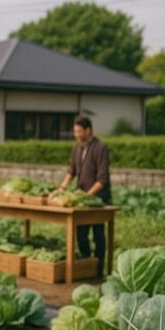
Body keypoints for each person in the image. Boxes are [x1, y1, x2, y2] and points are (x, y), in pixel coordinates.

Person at [54, 116, 111, 277]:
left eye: (79, 131)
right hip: (82, 199)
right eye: (75, 131)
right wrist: (61, 188)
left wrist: (87, 197)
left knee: (98, 235)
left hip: (99, 200)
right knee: (81, 234)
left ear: (88, 130)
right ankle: (87, 264)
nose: (76, 134)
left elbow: (102, 179)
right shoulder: (76, 147)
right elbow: (71, 171)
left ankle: (99, 269)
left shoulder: (100, 147)